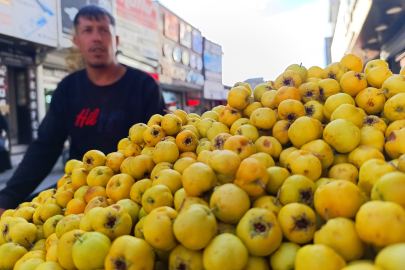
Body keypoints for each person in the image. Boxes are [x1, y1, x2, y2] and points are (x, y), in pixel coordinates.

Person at [0, 5, 166, 215]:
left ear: (115, 40)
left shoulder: (145, 86)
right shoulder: (67, 89)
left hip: (134, 194)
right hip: (78, 193)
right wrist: (7, 198)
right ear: (76, 42)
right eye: (88, 30)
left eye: (103, 30)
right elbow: (45, 147)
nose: (96, 38)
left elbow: (162, 144)